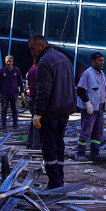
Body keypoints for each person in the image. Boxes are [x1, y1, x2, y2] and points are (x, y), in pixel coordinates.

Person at [29, 34, 76, 189]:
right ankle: (59, 179)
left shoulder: (44, 62)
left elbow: (43, 91)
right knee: (59, 145)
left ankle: (54, 182)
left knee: (49, 148)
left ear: (41, 46)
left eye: (33, 48)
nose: (32, 52)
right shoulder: (64, 58)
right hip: (64, 111)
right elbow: (71, 85)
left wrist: (37, 113)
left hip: (50, 113)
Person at [75, 52, 106, 162]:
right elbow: (80, 90)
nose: (102, 62)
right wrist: (87, 102)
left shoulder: (102, 74)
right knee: (86, 132)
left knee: (98, 132)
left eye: (103, 60)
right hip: (89, 109)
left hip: (99, 108)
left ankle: (95, 153)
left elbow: (102, 90)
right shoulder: (87, 74)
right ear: (93, 61)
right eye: (99, 60)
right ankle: (80, 154)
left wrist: (105, 101)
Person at [0, 55, 25, 129]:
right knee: (4, 110)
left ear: (12, 62)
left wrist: (22, 92)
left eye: (10, 61)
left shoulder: (16, 70)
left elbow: (20, 82)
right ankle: (3, 125)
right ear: (5, 62)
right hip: (4, 94)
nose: (8, 63)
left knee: (14, 109)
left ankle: (15, 125)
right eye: (7, 61)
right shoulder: (2, 71)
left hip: (14, 93)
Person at [26, 58, 40, 149]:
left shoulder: (34, 70)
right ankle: (35, 144)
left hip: (33, 99)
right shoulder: (33, 71)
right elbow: (33, 88)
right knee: (36, 121)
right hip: (34, 100)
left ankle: (30, 142)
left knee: (33, 121)